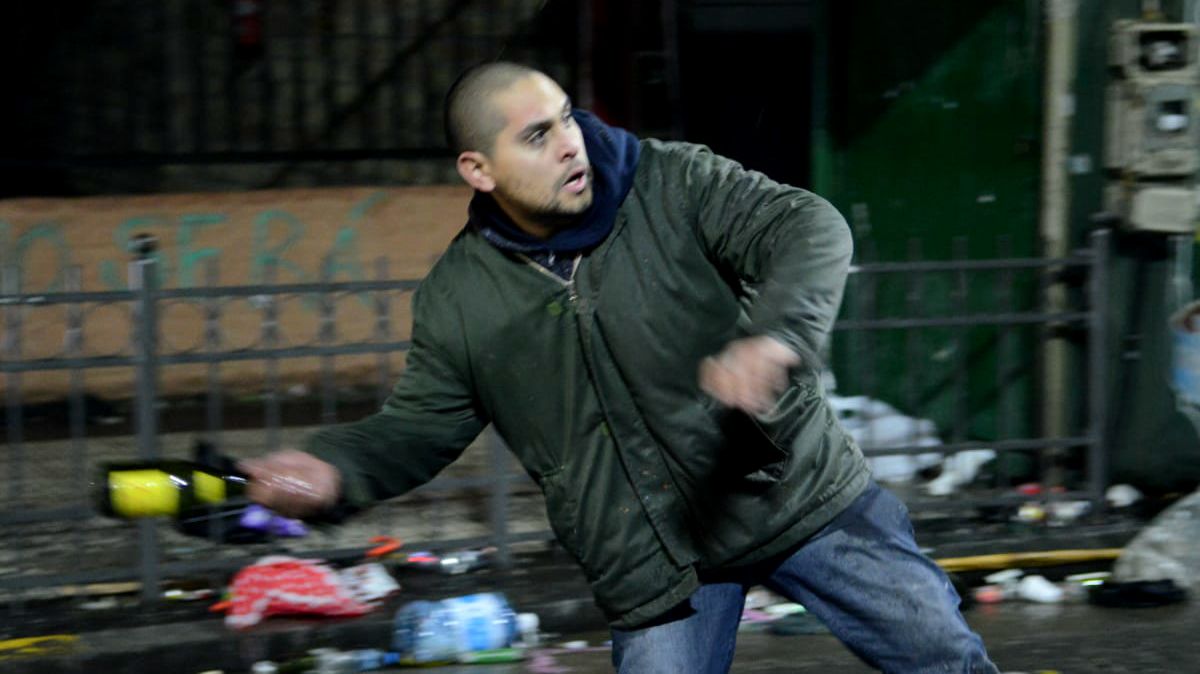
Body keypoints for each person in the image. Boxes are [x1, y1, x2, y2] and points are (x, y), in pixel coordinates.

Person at [241, 61, 999, 673]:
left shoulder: (672, 184)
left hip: (793, 496)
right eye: (536, 136)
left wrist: (776, 337)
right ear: (478, 169)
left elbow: (808, 226)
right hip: (655, 560)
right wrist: (333, 469)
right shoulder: (459, 297)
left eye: (566, 117)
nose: (570, 142)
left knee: (943, 657)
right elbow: (415, 429)